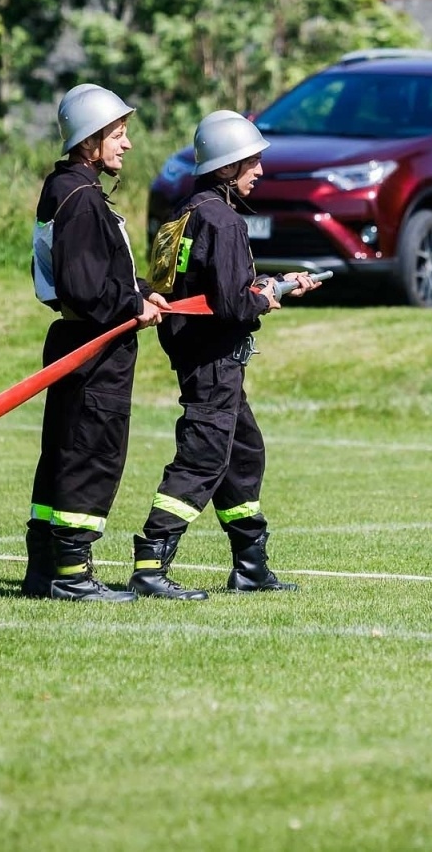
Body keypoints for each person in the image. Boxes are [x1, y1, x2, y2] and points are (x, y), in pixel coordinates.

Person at [128, 111, 320, 601]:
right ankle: (151, 565)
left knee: (243, 454)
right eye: (250, 161)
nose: (259, 170)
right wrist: (265, 299)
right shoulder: (224, 219)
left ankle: (250, 566)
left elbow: (189, 288)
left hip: (199, 357)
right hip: (214, 361)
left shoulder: (182, 215)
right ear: (226, 166)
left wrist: (272, 285)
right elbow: (234, 304)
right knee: (202, 459)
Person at [23, 83, 167, 602]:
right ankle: (72, 575)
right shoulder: (82, 201)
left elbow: (94, 275)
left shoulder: (65, 190)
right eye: (119, 134)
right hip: (94, 349)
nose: (126, 145)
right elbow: (87, 288)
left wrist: (144, 293)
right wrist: (134, 306)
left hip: (74, 342)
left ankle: (46, 569)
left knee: (63, 453)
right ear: (91, 140)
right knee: (91, 454)